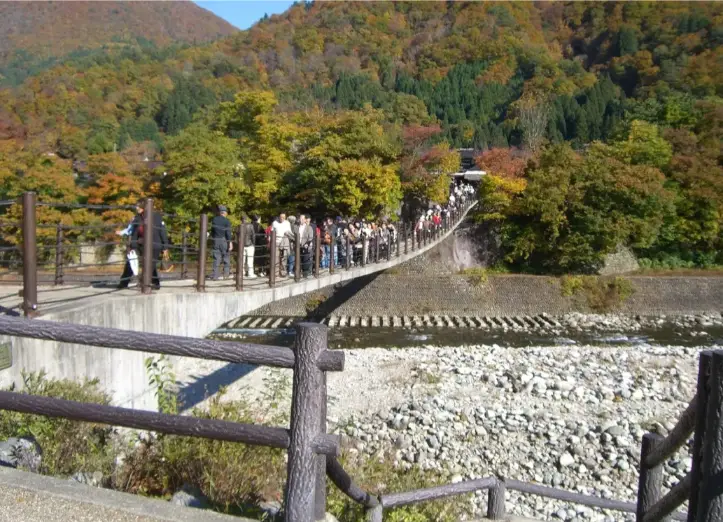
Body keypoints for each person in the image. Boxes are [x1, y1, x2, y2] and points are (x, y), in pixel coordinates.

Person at [130, 198, 169, 290]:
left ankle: (144, 282)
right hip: (143, 245)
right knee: (149, 264)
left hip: (155, 245)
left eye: (138, 206)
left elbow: (162, 231)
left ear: (144, 207)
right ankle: (156, 283)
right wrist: (133, 246)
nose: (136, 208)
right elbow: (135, 233)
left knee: (150, 264)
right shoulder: (137, 218)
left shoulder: (156, 216)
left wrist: (165, 246)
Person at [116, 213, 141, 289]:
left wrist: (122, 232)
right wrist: (121, 232)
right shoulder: (137, 218)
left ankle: (124, 283)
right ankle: (125, 282)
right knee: (132, 263)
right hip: (137, 244)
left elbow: (130, 230)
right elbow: (130, 229)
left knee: (132, 263)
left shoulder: (138, 218)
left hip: (137, 244)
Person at [210, 205, 233, 280]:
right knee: (226, 257)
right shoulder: (227, 221)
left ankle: (215, 275)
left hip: (216, 239)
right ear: (225, 213)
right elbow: (228, 233)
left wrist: (213, 239)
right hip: (224, 240)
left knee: (216, 258)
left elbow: (212, 231)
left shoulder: (214, 220)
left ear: (220, 212)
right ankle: (226, 275)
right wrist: (230, 242)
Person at [272, 212, 292, 277]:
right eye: (281, 217)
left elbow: (290, 232)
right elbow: (272, 232)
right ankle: (276, 274)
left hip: (284, 242)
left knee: (284, 258)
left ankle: (283, 273)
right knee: (276, 258)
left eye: (283, 217)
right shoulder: (275, 223)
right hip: (277, 242)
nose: (282, 218)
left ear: (285, 218)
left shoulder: (287, 223)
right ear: (279, 217)